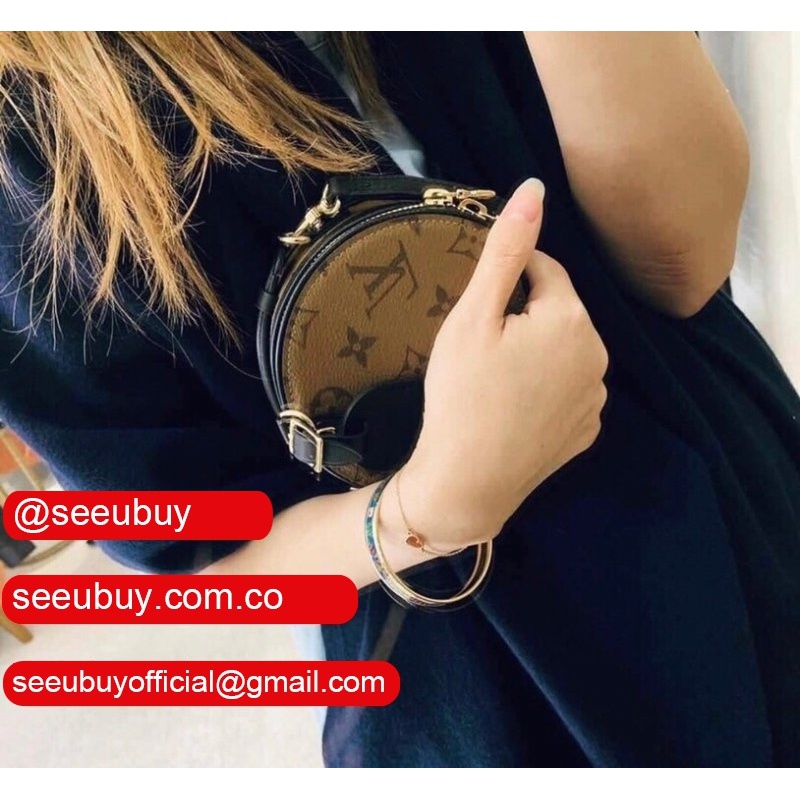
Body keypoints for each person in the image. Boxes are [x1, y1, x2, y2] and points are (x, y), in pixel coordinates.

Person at [1, 32, 798, 767]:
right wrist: (428, 511)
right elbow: (191, 555)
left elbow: (682, 265)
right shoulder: (27, 133)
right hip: (477, 672)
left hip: (728, 498)